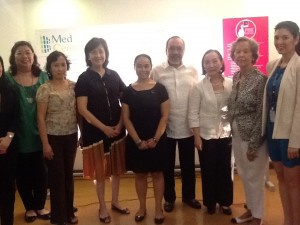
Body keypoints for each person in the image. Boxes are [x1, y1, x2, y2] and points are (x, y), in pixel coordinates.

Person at [75, 37, 129, 224]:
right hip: (95, 133)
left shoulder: (114, 75)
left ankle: (115, 201)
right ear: (88, 56)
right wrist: (104, 128)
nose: (98, 55)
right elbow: (82, 109)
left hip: (117, 130)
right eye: (94, 52)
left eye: (101, 51)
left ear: (106, 54)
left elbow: (125, 101)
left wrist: (121, 125)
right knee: (100, 173)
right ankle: (103, 206)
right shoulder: (84, 78)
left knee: (116, 170)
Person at [151, 36, 201, 212]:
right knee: (167, 166)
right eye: (172, 48)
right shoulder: (157, 71)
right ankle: (169, 198)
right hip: (166, 126)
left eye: (179, 48)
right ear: (166, 50)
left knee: (189, 165)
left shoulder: (193, 70)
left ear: (184, 50)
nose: (175, 52)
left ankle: (189, 196)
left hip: (187, 126)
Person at [122, 54, 170, 224]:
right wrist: (137, 141)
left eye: (146, 65)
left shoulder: (160, 89)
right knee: (140, 175)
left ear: (151, 67)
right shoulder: (128, 91)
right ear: (134, 67)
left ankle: (158, 207)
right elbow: (126, 118)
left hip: (157, 139)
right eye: (139, 66)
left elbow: (165, 116)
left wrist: (155, 139)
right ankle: (142, 207)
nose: (143, 69)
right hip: (136, 140)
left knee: (157, 174)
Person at [6, 41, 50, 223]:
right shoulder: (7, 79)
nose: (25, 56)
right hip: (17, 134)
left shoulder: (44, 77)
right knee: (22, 174)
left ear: (34, 56)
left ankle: (40, 205)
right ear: (13, 57)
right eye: (20, 53)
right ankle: (29, 207)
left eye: (28, 52)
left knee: (41, 172)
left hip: (42, 133)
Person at [262, 21, 300, 225]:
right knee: (281, 179)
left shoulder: (299, 65)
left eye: (285, 37)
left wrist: (296, 140)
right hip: (272, 130)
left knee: (294, 183)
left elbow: (299, 107)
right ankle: (287, 220)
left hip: (290, 135)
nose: (280, 41)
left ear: (296, 39)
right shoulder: (273, 65)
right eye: (277, 37)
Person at [228, 37, 269, 225]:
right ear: (233, 55)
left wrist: (254, 145)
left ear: (253, 55)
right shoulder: (236, 77)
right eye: (238, 51)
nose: (241, 54)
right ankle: (250, 210)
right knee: (244, 175)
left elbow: (262, 113)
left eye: (245, 51)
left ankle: (258, 217)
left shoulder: (261, 80)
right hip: (237, 135)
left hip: (253, 137)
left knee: (255, 178)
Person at [188, 50, 233, 215]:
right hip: (206, 135)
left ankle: (225, 202)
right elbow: (193, 113)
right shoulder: (198, 87)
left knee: (225, 170)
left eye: (215, 61)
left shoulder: (231, 83)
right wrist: (196, 136)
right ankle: (210, 202)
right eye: (207, 62)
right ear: (203, 65)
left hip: (227, 134)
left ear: (221, 62)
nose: (211, 65)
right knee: (208, 170)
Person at [37, 51, 78, 225]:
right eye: (56, 65)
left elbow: (79, 112)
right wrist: (45, 144)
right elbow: (40, 117)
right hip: (53, 138)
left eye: (62, 64)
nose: (60, 68)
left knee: (69, 175)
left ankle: (69, 212)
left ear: (66, 66)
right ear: (50, 68)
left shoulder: (74, 86)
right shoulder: (45, 88)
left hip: (71, 136)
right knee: (57, 177)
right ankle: (58, 217)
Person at [0, 56, 19, 225]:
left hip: (7, 145)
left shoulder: (10, 89)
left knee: (7, 188)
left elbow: (16, 118)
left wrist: (8, 138)